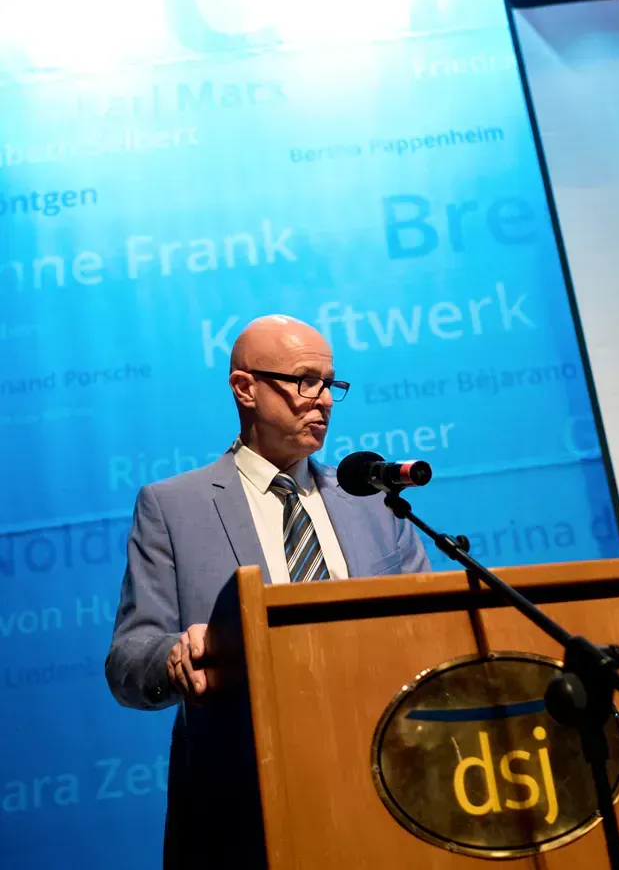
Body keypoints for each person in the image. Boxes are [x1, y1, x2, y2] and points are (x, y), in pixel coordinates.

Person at [105, 314, 431, 866]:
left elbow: (430, 624)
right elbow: (129, 659)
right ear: (245, 388)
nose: (323, 399)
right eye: (306, 380)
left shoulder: (371, 500)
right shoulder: (173, 507)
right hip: (245, 795)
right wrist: (178, 655)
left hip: (388, 778)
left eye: (331, 384)